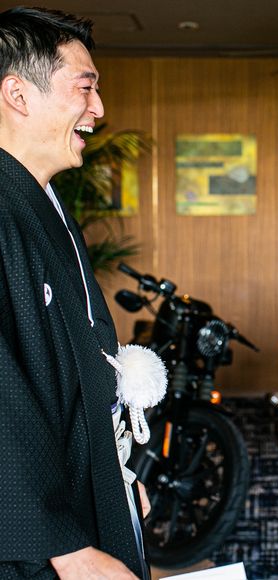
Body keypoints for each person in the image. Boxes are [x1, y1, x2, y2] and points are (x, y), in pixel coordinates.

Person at [0, 7, 150, 579]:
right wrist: (63, 544)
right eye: (85, 88)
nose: (99, 109)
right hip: (37, 539)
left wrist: (112, 477)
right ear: (18, 94)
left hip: (77, 490)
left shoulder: (41, 199)